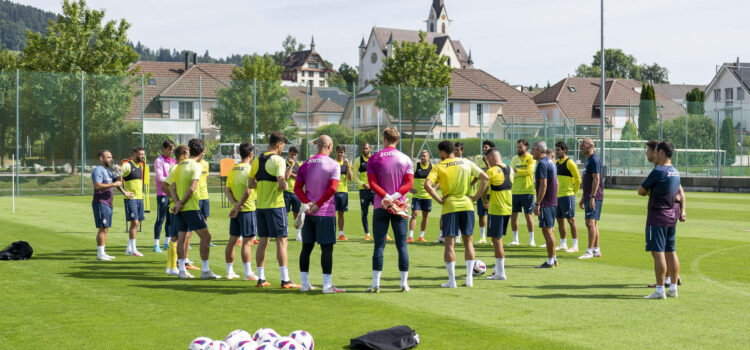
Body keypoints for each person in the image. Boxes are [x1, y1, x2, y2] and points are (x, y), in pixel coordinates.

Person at [425, 140, 489, 288]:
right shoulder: (466, 162)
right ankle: (469, 279)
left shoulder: (439, 166)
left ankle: (452, 281)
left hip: (450, 206)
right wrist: (475, 197)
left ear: (442, 152)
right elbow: (485, 178)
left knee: (449, 244)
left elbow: (427, 185)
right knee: (469, 242)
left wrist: (440, 200)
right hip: (467, 205)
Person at [294, 135, 346, 293]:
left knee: (306, 248)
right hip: (325, 212)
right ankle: (326, 285)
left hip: (309, 214)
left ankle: (304, 284)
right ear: (330, 145)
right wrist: (317, 204)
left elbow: (297, 189)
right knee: (327, 249)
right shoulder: (333, 164)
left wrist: (308, 203)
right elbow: (333, 189)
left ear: (318, 146)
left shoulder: (306, 164)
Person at [366, 128, 414, 293]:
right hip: (399, 206)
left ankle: (375, 284)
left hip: (381, 205)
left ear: (384, 138)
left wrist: (386, 197)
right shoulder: (406, 159)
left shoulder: (374, 158)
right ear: (398, 140)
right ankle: (403, 284)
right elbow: (409, 185)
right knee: (402, 246)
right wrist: (393, 197)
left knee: (379, 245)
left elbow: (372, 184)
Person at [249, 132, 300, 289]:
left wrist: (264, 185)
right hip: (276, 206)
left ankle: (261, 278)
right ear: (279, 144)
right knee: (281, 242)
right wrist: (284, 185)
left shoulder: (257, 160)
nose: (283, 148)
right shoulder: (278, 160)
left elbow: (251, 184)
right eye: (283, 145)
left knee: (262, 242)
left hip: (261, 207)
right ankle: (285, 280)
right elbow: (281, 184)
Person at [639, 141, 684, 299]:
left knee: (658, 253)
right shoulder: (676, 172)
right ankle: (673, 288)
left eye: (657, 152)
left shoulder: (658, 172)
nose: (655, 155)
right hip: (671, 217)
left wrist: (651, 190)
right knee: (671, 251)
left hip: (657, 217)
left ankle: (659, 290)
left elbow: (641, 191)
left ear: (662, 153)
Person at [170, 138, 220, 279]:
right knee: (206, 236)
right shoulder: (197, 166)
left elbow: (172, 188)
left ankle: (181, 270)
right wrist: (182, 203)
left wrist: (177, 203)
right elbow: (192, 188)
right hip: (191, 207)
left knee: (181, 238)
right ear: (202, 151)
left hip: (180, 208)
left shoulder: (179, 166)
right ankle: (205, 270)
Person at [225, 142, 259, 281]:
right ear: (251, 154)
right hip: (247, 209)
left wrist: (234, 204)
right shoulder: (250, 170)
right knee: (248, 242)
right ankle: (248, 273)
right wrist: (239, 205)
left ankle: (229, 272)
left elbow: (227, 189)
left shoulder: (233, 169)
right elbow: (249, 190)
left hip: (236, 210)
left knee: (232, 240)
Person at [92, 150, 131, 261]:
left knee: (106, 228)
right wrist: (113, 184)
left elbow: (119, 183)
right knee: (103, 228)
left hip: (108, 203)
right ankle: (100, 254)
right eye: (108, 157)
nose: (111, 159)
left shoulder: (108, 171)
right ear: (101, 158)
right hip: (101, 202)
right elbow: (97, 186)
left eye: (111, 157)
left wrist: (119, 173)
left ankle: (103, 252)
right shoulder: (98, 170)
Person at [481, 148, 512, 280]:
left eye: (488, 160)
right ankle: (497, 268)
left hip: (496, 209)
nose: (488, 162)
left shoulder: (491, 171)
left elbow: (484, 189)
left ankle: (501, 273)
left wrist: (483, 200)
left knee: (496, 240)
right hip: (508, 208)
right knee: (499, 239)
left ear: (492, 158)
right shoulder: (510, 169)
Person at [162, 145, 189, 276]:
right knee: (176, 237)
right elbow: (164, 186)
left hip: (178, 207)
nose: (188, 157)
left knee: (177, 237)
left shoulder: (179, 167)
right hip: (175, 208)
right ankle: (172, 267)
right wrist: (176, 200)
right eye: (187, 154)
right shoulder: (176, 168)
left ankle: (171, 266)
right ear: (183, 155)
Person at [531, 141, 559, 268]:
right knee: (550, 231)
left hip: (546, 203)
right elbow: (556, 183)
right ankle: (554, 258)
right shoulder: (550, 162)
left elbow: (544, 185)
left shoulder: (542, 164)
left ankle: (549, 261)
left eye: (533, 149)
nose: (531, 152)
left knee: (547, 232)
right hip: (552, 202)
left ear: (539, 150)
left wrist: (538, 203)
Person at [578, 138, 604, 259]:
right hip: (589, 195)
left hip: (595, 196)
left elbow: (596, 179)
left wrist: (592, 196)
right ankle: (596, 249)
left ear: (590, 146)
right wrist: (584, 197)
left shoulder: (594, 160)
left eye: (582, 145)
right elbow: (587, 180)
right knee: (593, 223)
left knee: (590, 222)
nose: (580, 147)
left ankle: (589, 251)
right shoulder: (588, 160)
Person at [554, 141, 580, 252]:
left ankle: (575, 245)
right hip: (557, 196)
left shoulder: (570, 163)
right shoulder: (556, 163)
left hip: (567, 195)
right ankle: (563, 243)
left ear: (564, 150)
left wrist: (574, 193)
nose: (556, 152)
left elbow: (578, 179)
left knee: (571, 220)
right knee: (559, 220)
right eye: (556, 150)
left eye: (558, 150)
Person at [509, 139, 537, 246]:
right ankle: (515, 240)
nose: (518, 149)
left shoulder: (531, 158)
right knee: (513, 215)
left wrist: (518, 171)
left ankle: (532, 240)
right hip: (515, 191)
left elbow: (530, 171)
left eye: (520, 147)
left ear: (526, 147)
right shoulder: (514, 159)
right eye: (517, 147)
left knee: (528, 216)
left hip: (527, 191)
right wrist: (520, 172)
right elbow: (511, 172)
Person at [121, 146, 146, 257]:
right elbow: (117, 175)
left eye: (143, 154)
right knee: (134, 223)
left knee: (137, 223)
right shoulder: (127, 165)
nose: (142, 156)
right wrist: (124, 192)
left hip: (139, 199)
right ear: (134, 154)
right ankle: (134, 250)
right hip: (131, 199)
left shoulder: (140, 166)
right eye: (140, 154)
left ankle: (129, 248)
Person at [153, 140, 176, 252]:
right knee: (160, 219)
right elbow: (159, 177)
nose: (171, 151)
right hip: (162, 193)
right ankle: (156, 244)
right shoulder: (159, 160)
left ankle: (167, 243)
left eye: (172, 149)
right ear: (164, 148)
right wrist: (171, 182)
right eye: (169, 149)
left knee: (170, 220)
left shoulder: (173, 161)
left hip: (171, 194)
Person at [353, 143, 377, 240]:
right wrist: (362, 183)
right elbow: (354, 176)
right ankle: (367, 233)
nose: (365, 150)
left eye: (366, 148)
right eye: (363, 148)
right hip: (363, 191)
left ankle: (383, 233)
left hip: (374, 190)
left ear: (370, 149)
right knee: (364, 212)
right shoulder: (358, 160)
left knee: (379, 212)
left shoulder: (375, 159)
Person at [472, 140, 495, 244]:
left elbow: (490, 173)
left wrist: (486, 163)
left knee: (492, 215)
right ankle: (482, 237)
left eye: (486, 147)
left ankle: (492, 238)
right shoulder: (478, 159)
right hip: (481, 191)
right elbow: (478, 174)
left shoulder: (494, 159)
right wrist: (471, 184)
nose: (484, 149)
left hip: (492, 191)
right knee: (481, 214)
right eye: (483, 147)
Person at [408, 150, 433, 243]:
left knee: (425, 216)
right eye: (422, 156)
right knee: (414, 215)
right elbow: (407, 177)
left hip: (427, 197)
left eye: (425, 156)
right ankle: (410, 236)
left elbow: (438, 179)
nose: (423, 158)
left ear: (428, 157)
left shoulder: (432, 167)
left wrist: (434, 188)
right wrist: (410, 189)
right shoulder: (415, 166)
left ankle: (421, 236)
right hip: (417, 196)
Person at [284, 146, 303, 241]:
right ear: (288, 154)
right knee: (285, 214)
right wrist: (291, 166)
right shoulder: (283, 163)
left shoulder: (299, 165)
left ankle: (298, 235)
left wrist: (292, 174)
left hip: (296, 193)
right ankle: (285, 233)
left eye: (294, 155)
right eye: (291, 154)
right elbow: (286, 177)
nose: (293, 156)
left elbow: (301, 178)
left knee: (297, 214)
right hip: (286, 192)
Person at [334, 145, 353, 240]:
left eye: (341, 152)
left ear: (344, 153)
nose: (340, 154)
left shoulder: (346, 164)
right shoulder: (332, 163)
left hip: (343, 192)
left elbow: (350, 178)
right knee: (331, 213)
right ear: (335, 152)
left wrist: (348, 167)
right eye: (338, 152)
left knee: (341, 214)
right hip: (333, 193)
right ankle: (331, 232)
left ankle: (341, 234)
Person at [196, 153, 213, 246]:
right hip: (196, 196)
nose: (202, 154)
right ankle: (187, 240)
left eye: (204, 152)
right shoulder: (194, 164)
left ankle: (205, 238)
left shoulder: (206, 163)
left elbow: (205, 178)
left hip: (205, 195)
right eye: (201, 152)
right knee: (194, 219)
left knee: (205, 217)